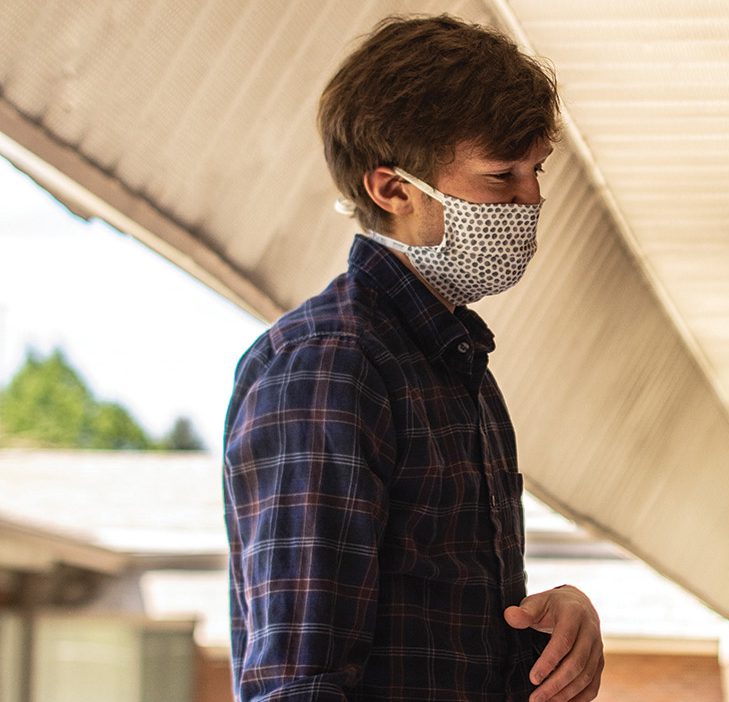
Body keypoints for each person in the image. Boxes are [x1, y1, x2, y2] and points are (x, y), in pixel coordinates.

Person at [223, 15, 602, 702]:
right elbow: (299, 681)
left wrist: (551, 629)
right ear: (392, 190)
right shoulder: (332, 368)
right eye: (501, 176)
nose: (533, 199)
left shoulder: (455, 367)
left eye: (536, 170)